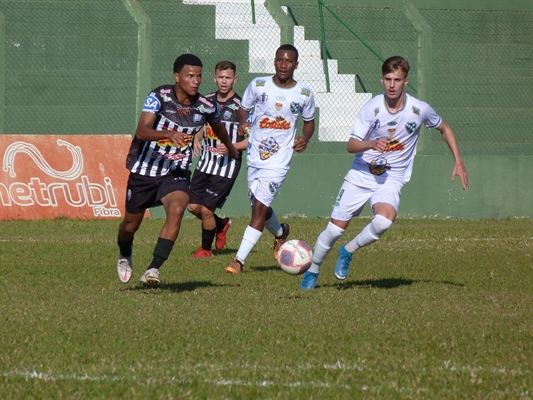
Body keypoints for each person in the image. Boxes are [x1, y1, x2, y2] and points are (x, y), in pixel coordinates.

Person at [300, 55, 468, 290]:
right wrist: (371, 144)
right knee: (334, 230)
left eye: (397, 80)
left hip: (391, 178)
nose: (392, 85)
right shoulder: (372, 108)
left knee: (383, 221)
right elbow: (351, 145)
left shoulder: (419, 109)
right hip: (361, 175)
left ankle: (348, 251)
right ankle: (313, 270)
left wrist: (458, 160)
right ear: (381, 80)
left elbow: (445, 128)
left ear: (405, 81)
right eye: (388, 79)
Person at [116, 53, 239, 288]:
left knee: (178, 208)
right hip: (145, 170)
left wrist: (232, 149)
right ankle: (125, 252)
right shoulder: (159, 97)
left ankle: (153, 269)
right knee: (129, 226)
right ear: (176, 76)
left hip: (176, 171)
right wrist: (168, 134)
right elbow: (142, 131)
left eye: (199, 76)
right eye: (190, 75)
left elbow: (219, 127)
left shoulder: (205, 106)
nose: (196, 81)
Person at [225, 44, 316, 274]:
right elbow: (244, 109)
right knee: (258, 207)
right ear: (274, 61)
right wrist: (244, 122)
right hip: (255, 156)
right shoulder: (258, 85)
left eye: (288, 61)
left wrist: (304, 138)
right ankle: (280, 233)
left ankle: (238, 261)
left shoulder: (304, 93)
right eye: (279, 60)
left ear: (296, 64)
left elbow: (309, 122)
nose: (283, 65)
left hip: (279, 160)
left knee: (258, 208)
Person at [187, 61, 248, 258]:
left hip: (226, 167)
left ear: (234, 79)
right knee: (193, 206)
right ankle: (220, 224)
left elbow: (253, 139)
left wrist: (233, 146)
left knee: (206, 210)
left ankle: (206, 250)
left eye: (228, 78)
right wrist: (196, 138)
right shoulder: (206, 101)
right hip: (205, 162)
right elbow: (200, 124)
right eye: (220, 77)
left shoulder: (242, 107)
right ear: (214, 78)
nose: (224, 81)